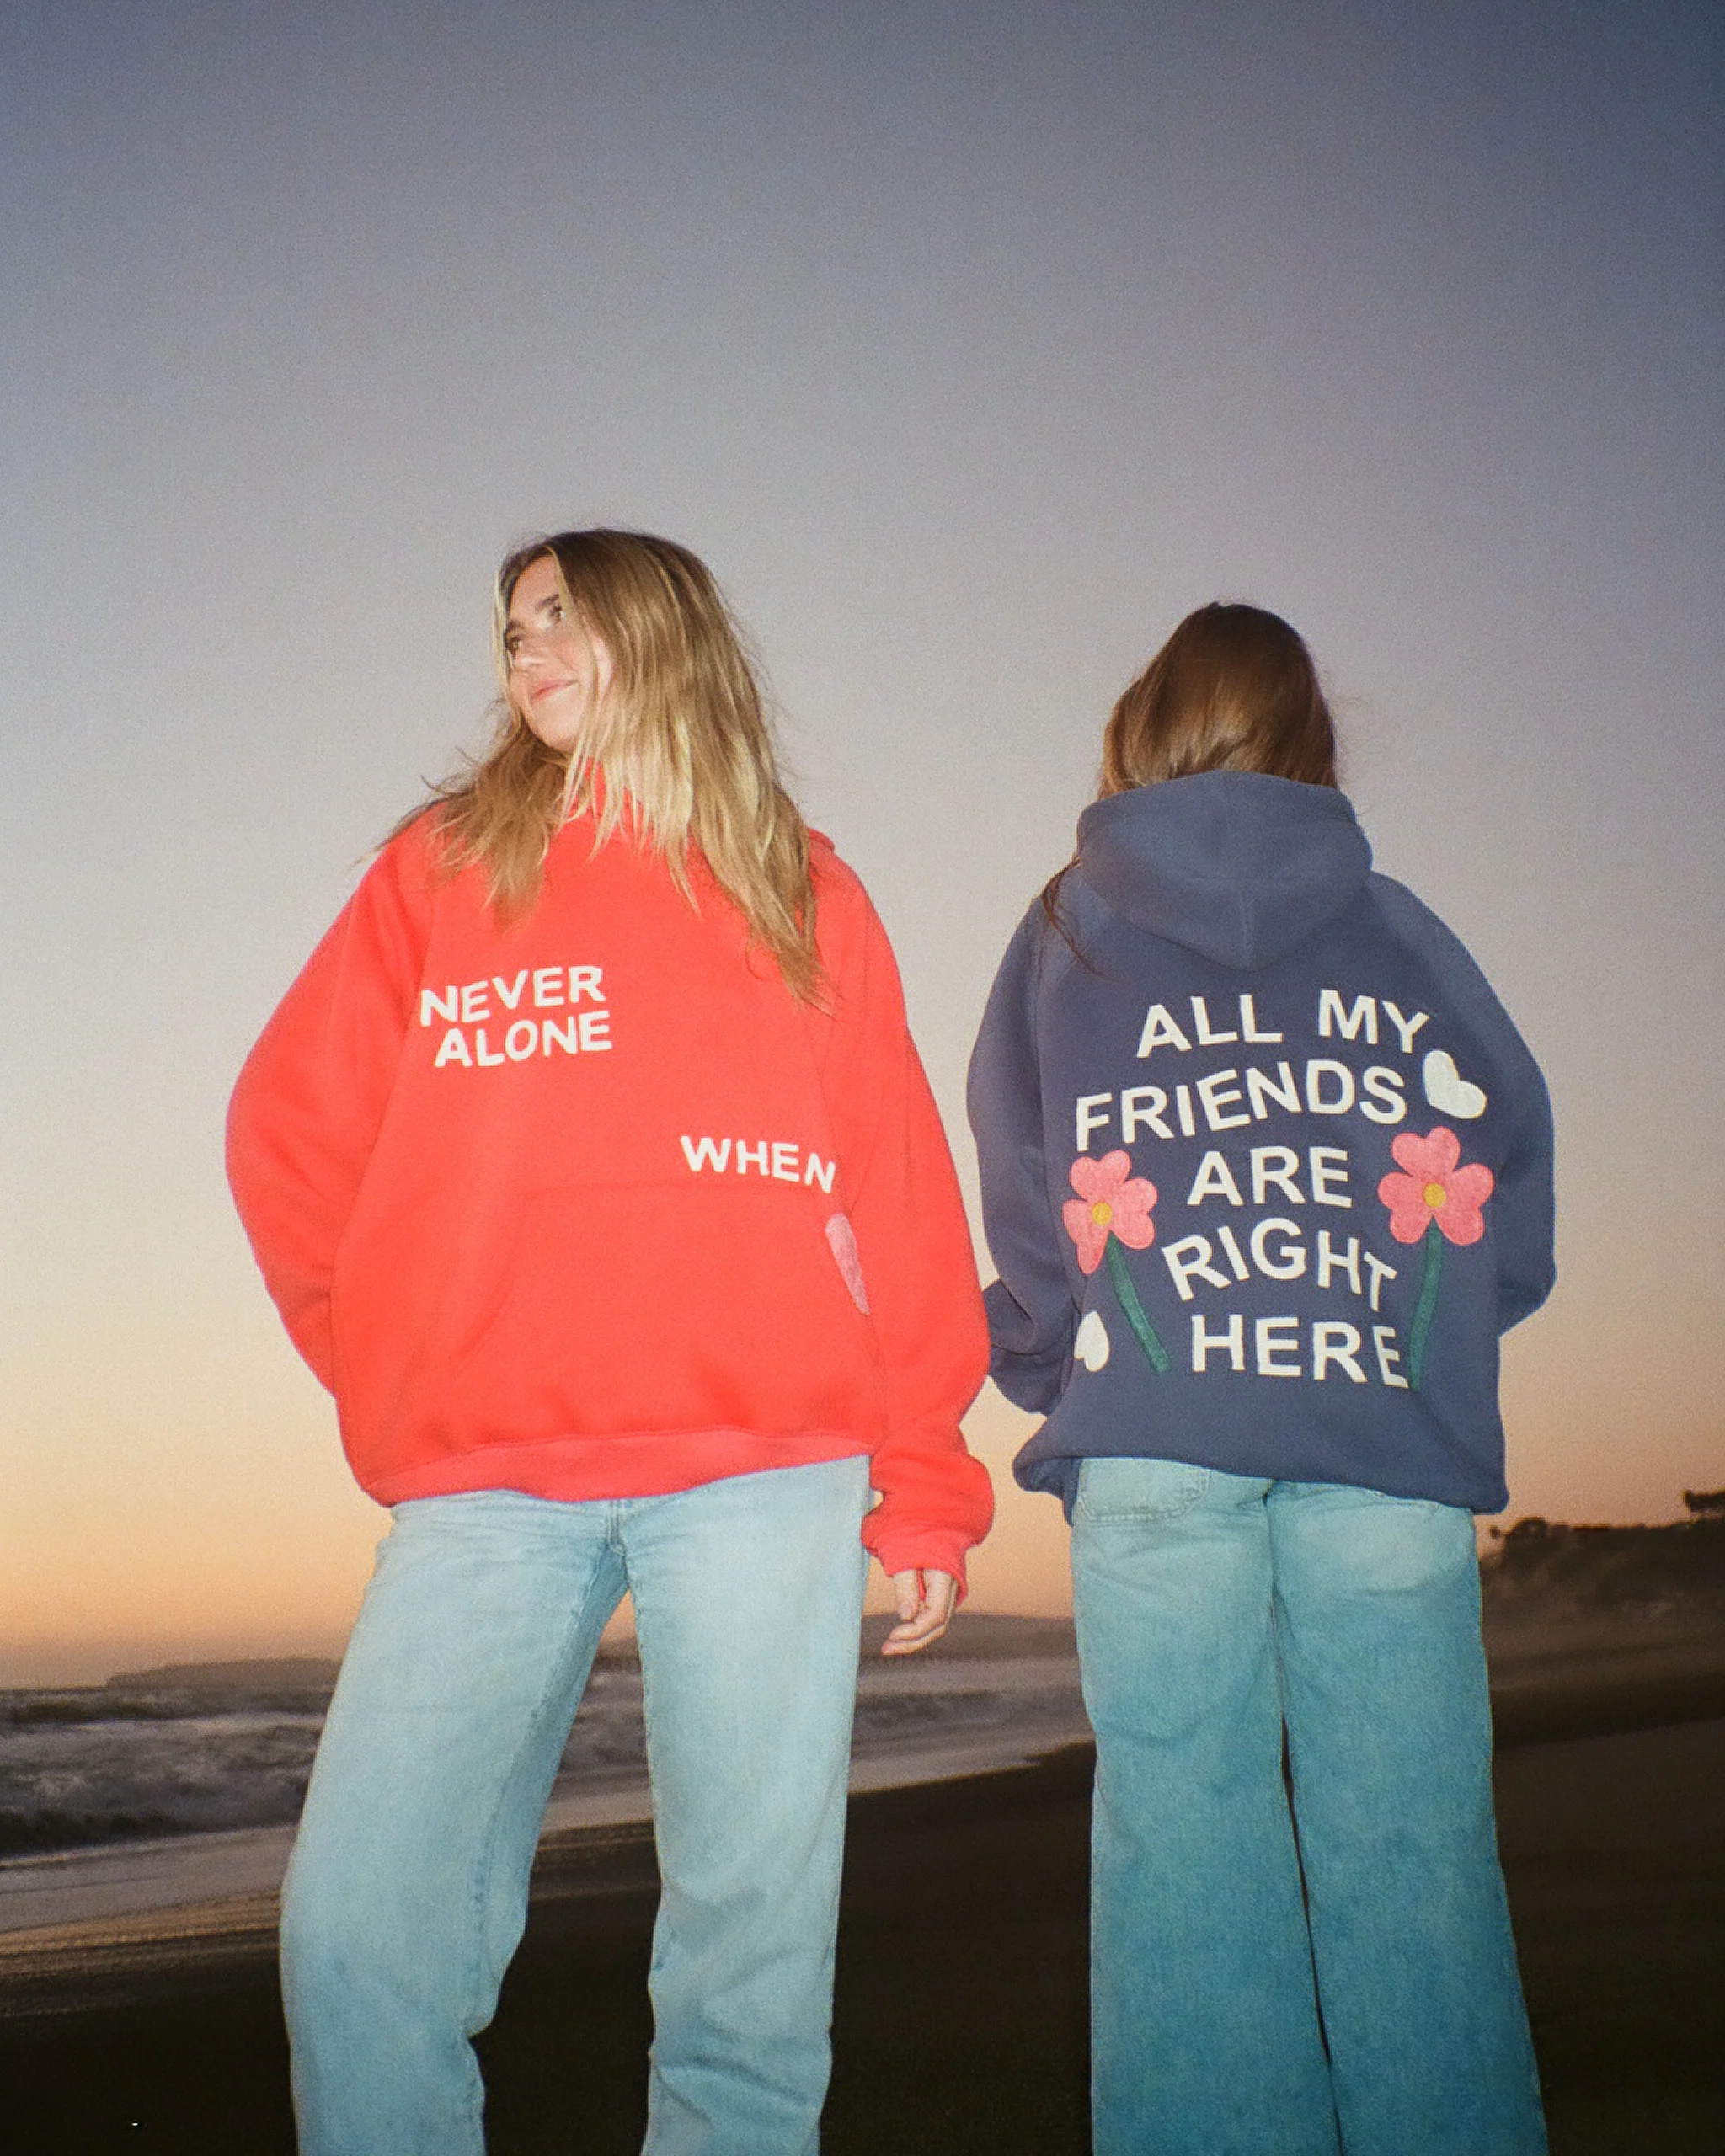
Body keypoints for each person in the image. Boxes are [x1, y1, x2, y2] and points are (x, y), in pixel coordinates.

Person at [227, 527, 993, 2156]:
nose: (528, 651)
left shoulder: (802, 884)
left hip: (768, 1466)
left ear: (663, 632)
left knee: (745, 1977)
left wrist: (924, 1476)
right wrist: (393, 1355)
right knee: (356, 1937)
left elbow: (899, 1188)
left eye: (563, 616)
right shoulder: (441, 870)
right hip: (488, 1485)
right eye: (513, 630)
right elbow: (285, 1136)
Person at [967, 603, 1553, 2156]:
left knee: (1184, 1850)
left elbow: (1023, 1173)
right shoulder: (1399, 933)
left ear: (1139, 729)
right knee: (1416, 1855)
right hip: (1387, 1437)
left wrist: (1045, 1350)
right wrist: (1438, 1326)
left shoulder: (1069, 933)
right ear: (1313, 739)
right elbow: (1507, 1147)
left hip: (1155, 1442)